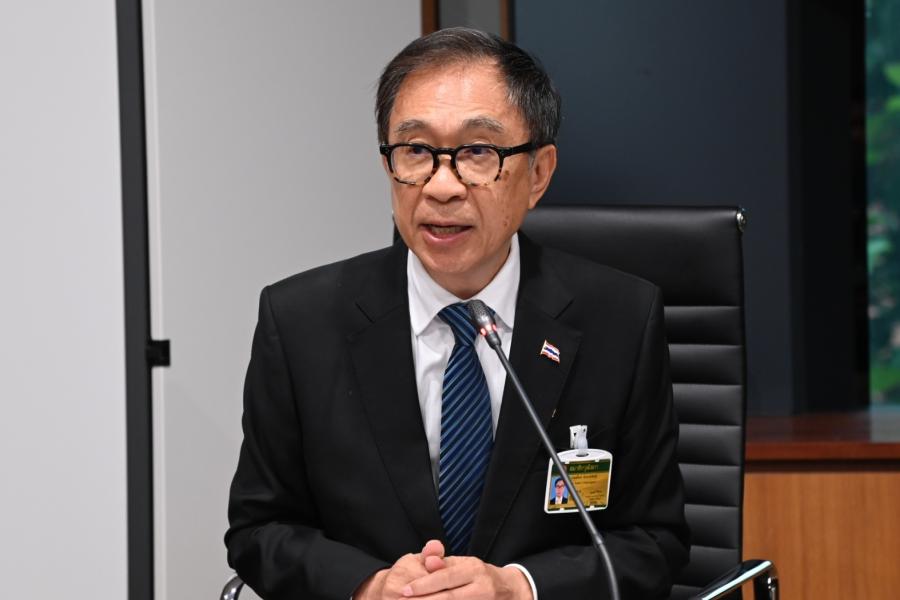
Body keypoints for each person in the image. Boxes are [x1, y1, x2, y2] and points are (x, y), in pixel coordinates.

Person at [225, 27, 689, 600]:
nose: (441, 187)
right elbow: (259, 529)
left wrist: (518, 588)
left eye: (477, 152)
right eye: (416, 151)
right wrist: (368, 586)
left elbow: (654, 541)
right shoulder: (300, 321)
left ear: (538, 173)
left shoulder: (619, 319)